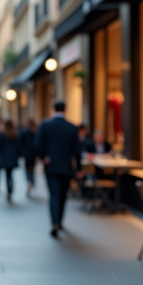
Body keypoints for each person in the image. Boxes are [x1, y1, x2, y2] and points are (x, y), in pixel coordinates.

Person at [35, 101, 83, 238]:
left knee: (54, 195)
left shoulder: (45, 125)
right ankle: (59, 221)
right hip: (67, 167)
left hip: (51, 166)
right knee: (62, 195)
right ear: (65, 110)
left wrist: (45, 156)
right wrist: (79, 168)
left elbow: (38, 145)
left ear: (53, 109)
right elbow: (77, 151)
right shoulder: (72, 127)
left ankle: (55, 222)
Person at [0, 119, 19, 201]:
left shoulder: (2, 134)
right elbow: (18, 146)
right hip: (13, 157)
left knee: (7, 174)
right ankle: (10, 189)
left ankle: (9, 190)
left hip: (5, 157)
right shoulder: (15, 134)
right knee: (10, 174)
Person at [18, 118, 39, 196]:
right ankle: (31, 181)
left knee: (27, 169)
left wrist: (22, 153)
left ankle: (29, 181)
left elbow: (20, 143)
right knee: (32, 169)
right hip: (33, 154)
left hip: (27, 154)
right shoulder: (35, 132)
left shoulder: (24, 132)